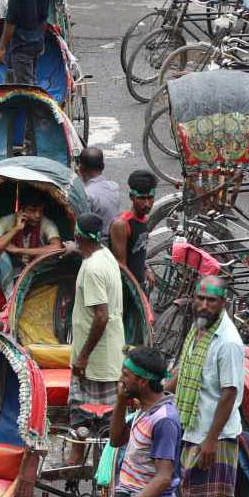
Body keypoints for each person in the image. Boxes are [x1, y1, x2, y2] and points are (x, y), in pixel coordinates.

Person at [173, 275, 246, 497]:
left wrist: (211, 440)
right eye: (200, 298)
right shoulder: (200, 327)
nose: (203, 305)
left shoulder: (228, 341)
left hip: (213, 434)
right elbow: (185, 368)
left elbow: (230, 393)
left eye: (211, 300)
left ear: (223, 303)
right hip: (193, 426)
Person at [97, 345, 182, 497]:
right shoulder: (143, 409)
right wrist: (120, 401)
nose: (121, 380)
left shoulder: (163, 420)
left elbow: (163, 478)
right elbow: (116, 440)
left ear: (142, 382)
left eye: (126, 375)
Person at [69, 214, 126, 411]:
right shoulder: (105, 255)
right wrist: (75, 251)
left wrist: (83, 356)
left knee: (87, 422)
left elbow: (101, 316)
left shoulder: (93, 269)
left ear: (77, 236)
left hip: (95, 363)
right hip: (106, 356)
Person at [110, 171, 157, 288]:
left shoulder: (143, 218)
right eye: (141, 198)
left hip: (139, 283)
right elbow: (121, 268)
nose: (147, 204)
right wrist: (137, 293)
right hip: (128, 289)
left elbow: (137, 252)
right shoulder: (121, 225)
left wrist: (146, 269)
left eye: (150, 198)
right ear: (132, 197)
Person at [77, 146, 122, 229]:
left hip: (99, 239)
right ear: (103, 166)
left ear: (80, 168)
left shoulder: (86, 195)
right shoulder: (114, 187)